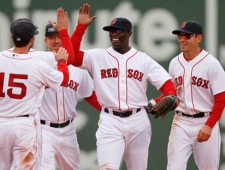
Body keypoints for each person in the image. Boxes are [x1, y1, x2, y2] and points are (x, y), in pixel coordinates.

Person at [68, 4, 177, 170]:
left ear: (129, 33)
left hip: (138, 121)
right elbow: (72, 57)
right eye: (111, 31)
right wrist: (81, 27)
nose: (114, 35)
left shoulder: (143, 60)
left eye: (119, 31)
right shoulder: (98, 56)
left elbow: (169, 87)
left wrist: (156, 101)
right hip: (110, 121)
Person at [0, 18, 69, 170]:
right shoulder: (37, 65)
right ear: (32, 39)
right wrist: (62, 61)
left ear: (11, 37)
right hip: (24, 126)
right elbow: (63, 80)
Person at [37, 16, 102, 170]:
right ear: (45, 41)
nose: (56, 41)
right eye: (51, 37)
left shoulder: (77, 68)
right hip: (43, 128)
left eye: (59, 36)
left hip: (68, 130)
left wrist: (110, 111)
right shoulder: (38, 64)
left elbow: (90, 95)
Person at [167, 20, 225, 170]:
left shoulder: (211, 64)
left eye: (187, 36)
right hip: (181, 121)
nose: (182, 39)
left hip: (205, 120)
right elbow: (171, 93)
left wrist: (209, 125)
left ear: (198, 38)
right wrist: (154, 103)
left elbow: (221, 98)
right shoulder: (174, 63)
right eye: (180, 36)